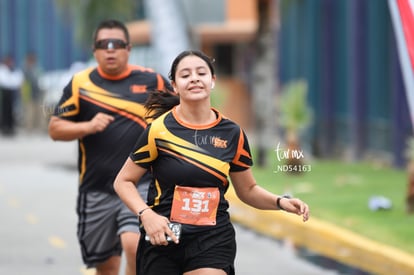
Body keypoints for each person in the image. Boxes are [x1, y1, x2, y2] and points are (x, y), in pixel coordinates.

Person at [113, 50, 310, 275]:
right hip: (163, 235)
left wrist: (281, 202)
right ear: (175, 85)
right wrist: (146, 215)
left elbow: (248, 189)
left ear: (212, 81)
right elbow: (123, 181)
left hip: (211, 238)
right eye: (186, 75)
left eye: (201, 73)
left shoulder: (232, 133)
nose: (194, 78)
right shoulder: (158, 130)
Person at [48, 19, 172, 275]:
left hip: (141, 184)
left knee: (133, 244)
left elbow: (181, 116)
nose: (111, 49)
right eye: (104, 44)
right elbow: (55, 128)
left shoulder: (154, 81)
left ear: (128, 48)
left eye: (117, 44)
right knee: (106, 265)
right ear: (95, 51)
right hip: (96, 189)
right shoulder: (80, 84)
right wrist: (87, 127)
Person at [0, 54, 24, 136]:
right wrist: (12, 81)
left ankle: (11, 127)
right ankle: (4, 127)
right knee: (5, 111)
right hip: (5, 92)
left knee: (11, 111)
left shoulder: (14, 70)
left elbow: (18, 81)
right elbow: (5, 81)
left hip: (12, 93)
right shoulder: (2, 69)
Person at [22, 52, 44, 133]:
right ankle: (29, 128)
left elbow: (40, 79)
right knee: (29, 113)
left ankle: (39, 128)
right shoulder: (25, 70)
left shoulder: (37, 68)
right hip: (29, 94)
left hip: (37, 93)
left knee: (39, 112)